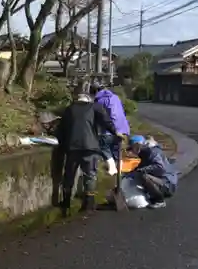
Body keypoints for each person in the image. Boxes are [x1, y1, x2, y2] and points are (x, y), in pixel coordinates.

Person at [55, 81, 118, 216]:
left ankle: (66, 204)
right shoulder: (95, 107)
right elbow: (107, 122)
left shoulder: (69, 109)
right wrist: (116, 133)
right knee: (90, 175)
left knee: (69, 175)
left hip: (73, 147)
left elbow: (60, 130)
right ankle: (88, 204)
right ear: (89, 97)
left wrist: (62, 144)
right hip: (90, 147)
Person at [126, 135, 177, 209]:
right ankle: (153, 194)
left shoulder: (153, 152)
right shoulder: (145, 153)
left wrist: (142, 170)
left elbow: (160, 167)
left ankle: (160, 201)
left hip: (168, 183)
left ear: (137, 146)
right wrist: (129, 174)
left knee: (144, 176)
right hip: (162, 180)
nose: (132, 151)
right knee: (139, 174)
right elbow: (141, 166)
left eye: (132, 148)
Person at [91, 82, 130, 176]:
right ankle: (120, 171)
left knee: (103, 146)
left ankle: (112, 169)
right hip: (123, 128)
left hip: (111, 129)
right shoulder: (115, 97)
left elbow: (102, 118)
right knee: (117, 149)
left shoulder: (99, 101)